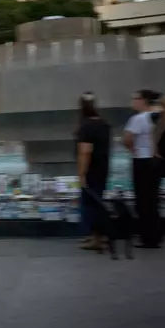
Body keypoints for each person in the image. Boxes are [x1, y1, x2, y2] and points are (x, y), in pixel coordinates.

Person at [123, 89, 163, 248]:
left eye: (135, 98)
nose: (133, 102)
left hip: (141, 161)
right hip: (155, 161)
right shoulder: (158, 117)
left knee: (143, 201)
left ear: (143, 100)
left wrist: (133, 149)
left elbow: (127, 139)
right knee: (153, 200)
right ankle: (156, 234)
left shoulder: (137, 119)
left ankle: (147, 237)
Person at [76, 93, 111, 251]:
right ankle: (100, 236)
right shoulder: (104, 124)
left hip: (91, 170)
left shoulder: (86, 126)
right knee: (99, 202)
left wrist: (82, 173)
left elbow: (85, 151)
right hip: (103, 168)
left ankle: (95, 238)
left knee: (89, 204)